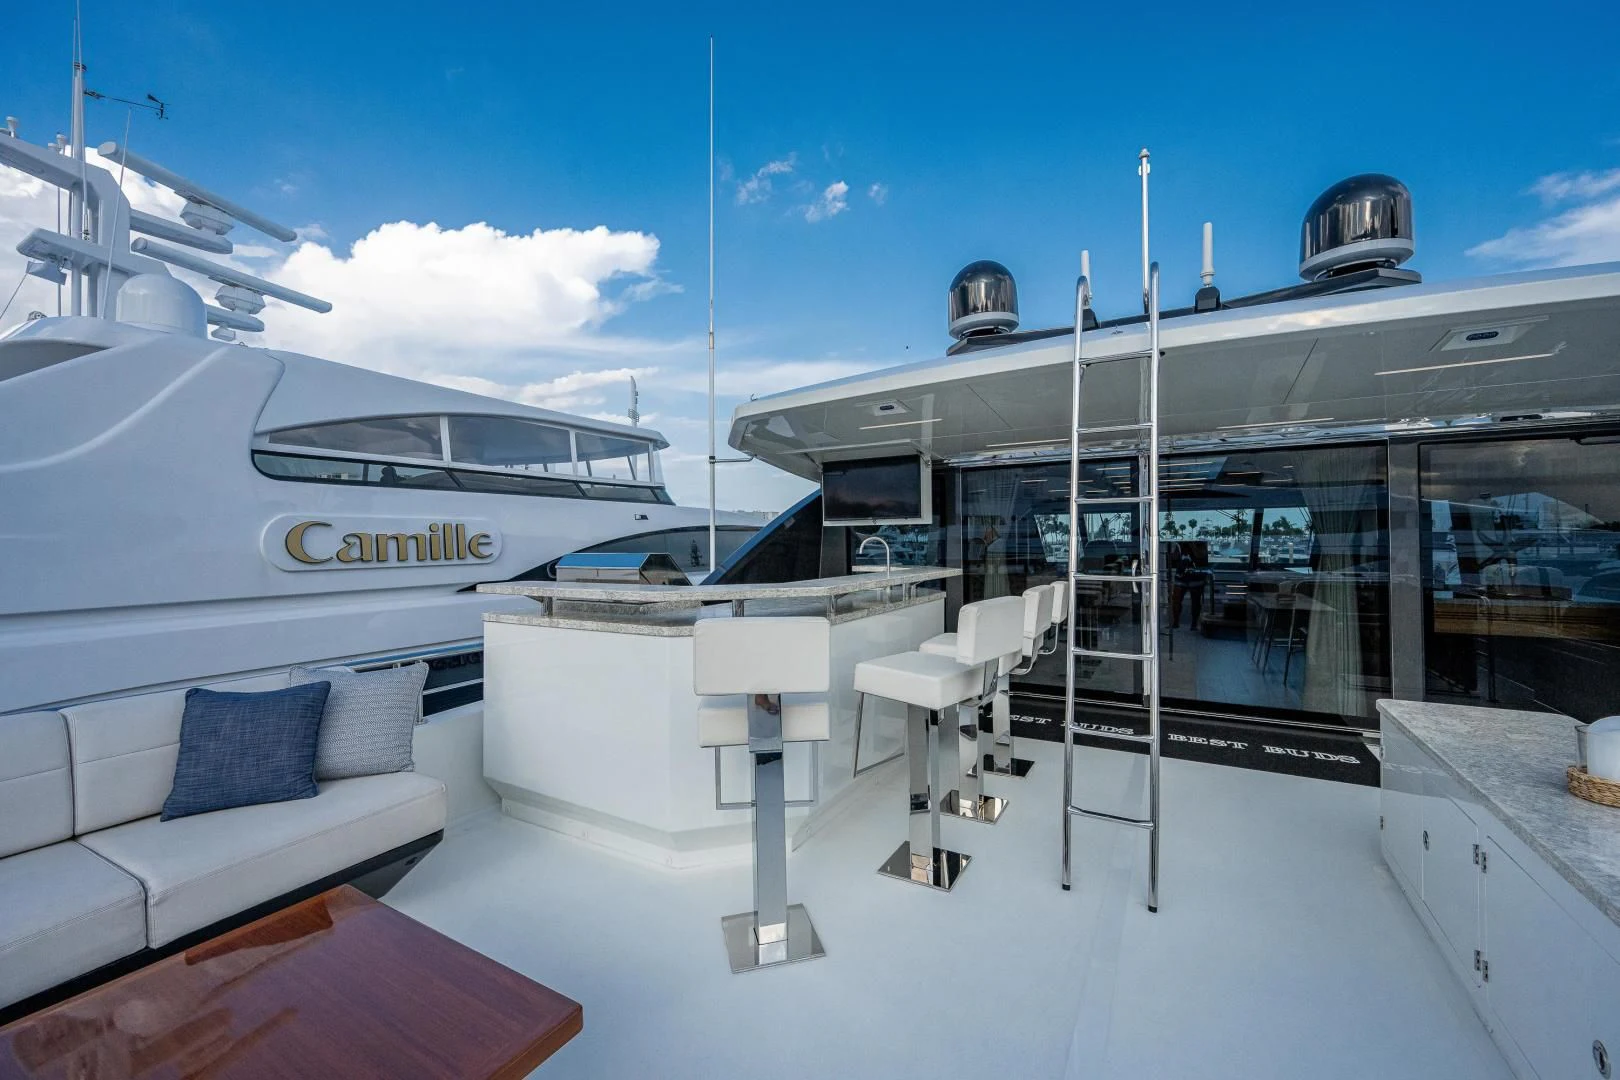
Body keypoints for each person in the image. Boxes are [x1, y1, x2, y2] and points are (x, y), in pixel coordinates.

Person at [1168, 542, 1208, 630]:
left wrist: (1191, 544)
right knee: (1176, 599)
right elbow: (1175, 557)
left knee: (1196, 601)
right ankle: (1175, 622)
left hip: (1196, 576)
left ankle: (1194, 624)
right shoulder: (1180, 544)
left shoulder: (1201, 542)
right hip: (1181, 575)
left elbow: (1200, 555)